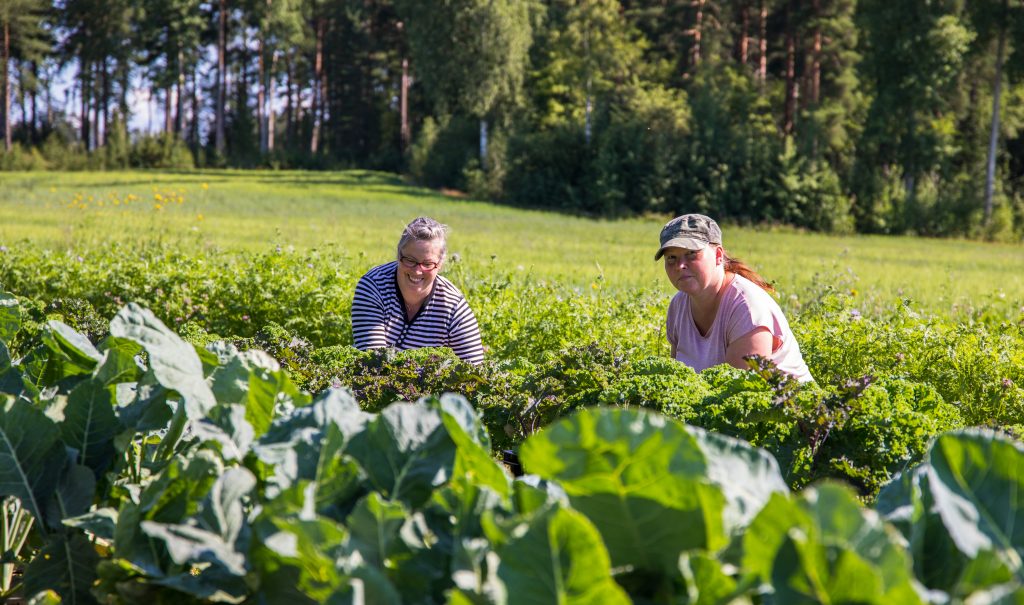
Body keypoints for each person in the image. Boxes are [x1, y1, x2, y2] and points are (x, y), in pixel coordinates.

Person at [656, 213, 813, 382]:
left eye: (692, 254)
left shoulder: (746, 308)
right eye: (671, 258)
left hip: (790, 407)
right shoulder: (679, 305)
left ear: (718, 255)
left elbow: (741, 392)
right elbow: (676, 380)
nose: (680, 266)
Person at [351, 216, 485, 365]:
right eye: (410, 260)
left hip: (435, 388)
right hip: (375, 384)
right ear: (398, 255)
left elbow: (474, 369)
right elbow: (374, 361)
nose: (417, 271)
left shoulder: (454, 306)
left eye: (427, 264)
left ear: (440, 264)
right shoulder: (373, 286)